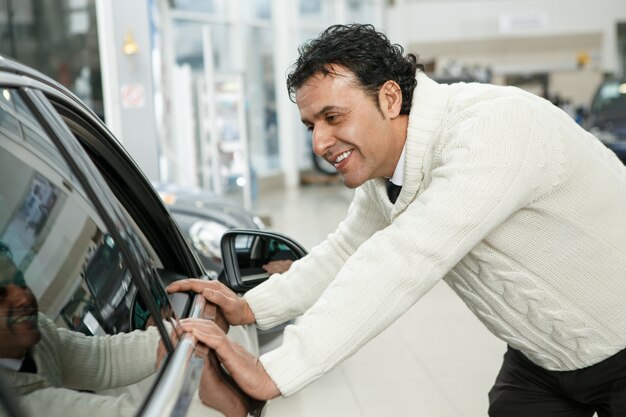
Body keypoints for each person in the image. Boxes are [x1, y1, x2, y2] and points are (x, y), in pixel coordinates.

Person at [171, 24, 626, 416]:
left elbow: (405, 258)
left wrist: (274, 369)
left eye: (333, 116)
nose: (321, 143)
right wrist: (250, 307)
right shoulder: (390, 172)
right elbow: (344, 251)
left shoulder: (492, 129)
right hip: (543, 354)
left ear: (390, 98)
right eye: (312, 125)